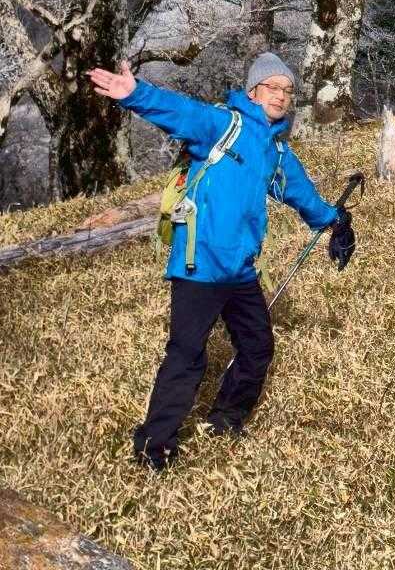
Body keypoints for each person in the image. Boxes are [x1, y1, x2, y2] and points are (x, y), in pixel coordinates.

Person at [87, 52, 353, 471]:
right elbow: (182, 112)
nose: (281, 96)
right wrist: (135, 94)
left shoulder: (274, 150)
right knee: (187, 354)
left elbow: (299, 191)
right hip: (200, 265)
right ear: (253, 91)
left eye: (287, 90)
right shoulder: (224, 125)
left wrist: (334, 221)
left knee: (257, 346)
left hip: (241, 270)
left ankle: (226, 420)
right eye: (272, 87)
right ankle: (154, 447)